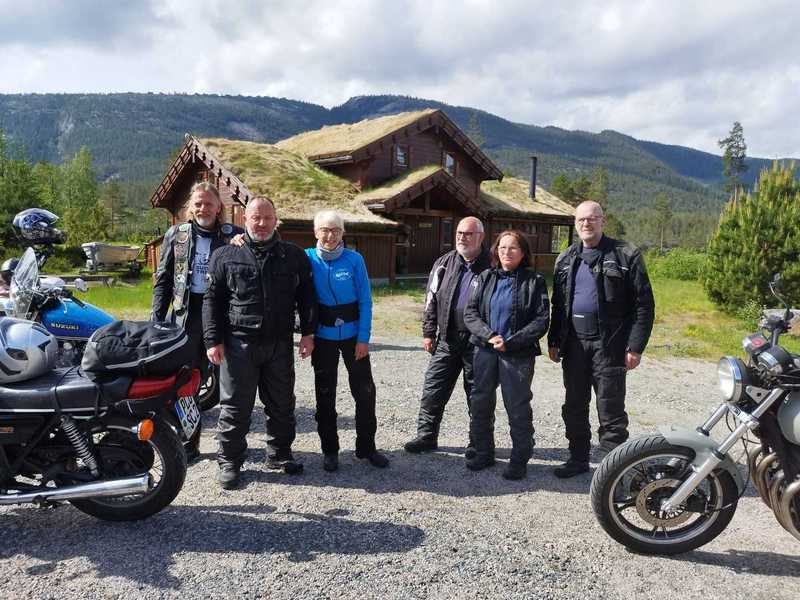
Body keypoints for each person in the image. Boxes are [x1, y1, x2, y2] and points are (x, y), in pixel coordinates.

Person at [203, 196, 316, 490]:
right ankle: (230, 461)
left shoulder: (293, 255)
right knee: (235, 406)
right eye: (256, 218)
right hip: (238, 344)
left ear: (276, 220)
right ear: (245, 220)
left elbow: (306, 296)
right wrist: (212, 340)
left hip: (279, 343)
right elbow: (212, 300)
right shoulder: (225, 255)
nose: (262, 223)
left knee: (282, 403)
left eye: (267, 218)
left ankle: (279, 454)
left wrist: (308, 333)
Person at [548, 200, 655, 478]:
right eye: (581, 219)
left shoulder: (625, 255)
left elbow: (644, 305)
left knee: (611, 411)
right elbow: (558, 305)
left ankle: (613, 473)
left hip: (610, 346)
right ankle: (577, 460)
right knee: (574, 406)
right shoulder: (565, 259)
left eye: (592, 218)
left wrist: (635, 346)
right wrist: (554, 340)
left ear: (602, 221)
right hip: (574, 346)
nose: (586, 223)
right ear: (575, 224)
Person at [151, 181, 243, 462]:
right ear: (191, 206)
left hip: (223, 314)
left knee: (231, 380)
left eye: (209, 203)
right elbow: (164, 279)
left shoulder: (233, 235)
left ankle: (232, 444)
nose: (203, 208)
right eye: (198, 203)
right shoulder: (176, 234)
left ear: (218, 207)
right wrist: (156, 319)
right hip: (187, 315)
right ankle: (189, 444)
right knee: (185, 382)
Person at [305, 210, 389, 472]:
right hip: (323, 338)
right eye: (325, 230)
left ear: (343, 233)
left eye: (336, 230)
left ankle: (367, 447)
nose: (330, 236)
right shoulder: (306, 258)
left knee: (365, 393)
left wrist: (363, 338)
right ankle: (330, 451)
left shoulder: (354, 260)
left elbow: (365, 300)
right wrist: (239, 239)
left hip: (354, 338)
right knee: (325, 395)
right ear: (316, 232)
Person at [463, 230, 550, 480]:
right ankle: (483, 453)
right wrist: (490, 336)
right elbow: (470, 313)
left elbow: (541, 320)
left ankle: (519, 460)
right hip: (485, 350)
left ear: (523, 253)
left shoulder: (534, 281)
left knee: (517, 406)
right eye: (502, 248)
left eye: (513, 248)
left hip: (517, 354)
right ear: (496, 251)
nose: (506, 252)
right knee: (480, 402)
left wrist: (510, 343)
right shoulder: (485, 277)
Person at [403, 216, 491, 456]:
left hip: (478, 342)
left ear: (481, 237)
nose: (462, 238)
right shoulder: (444, 263)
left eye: (468, 234)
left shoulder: (492, 265)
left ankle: (477, 443)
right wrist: (428, 332)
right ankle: (426, 436)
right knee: (433, 389)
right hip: (447, 338)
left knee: (478, 395)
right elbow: (430, 299)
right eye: (459, 233)